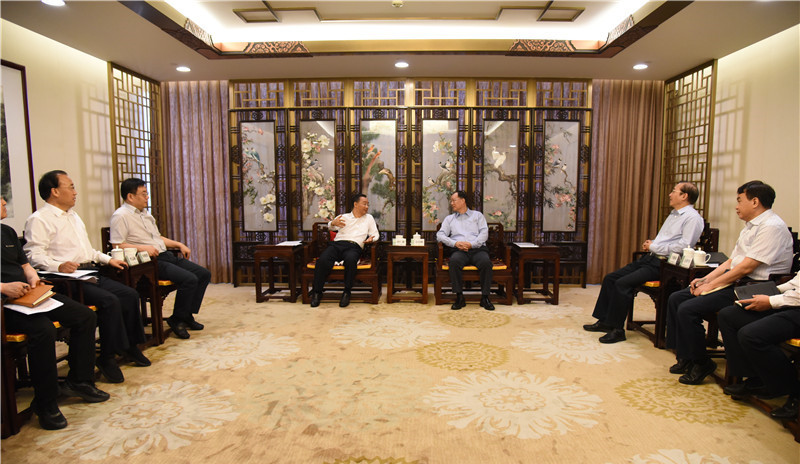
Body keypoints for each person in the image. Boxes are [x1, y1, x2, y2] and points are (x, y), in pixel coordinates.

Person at [23, 170, 150, 384]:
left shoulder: (73, 216)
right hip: (66, 279)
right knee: (110, 301)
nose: (75, 192)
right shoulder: (39, 219)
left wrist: (108, 259)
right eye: (71, 187)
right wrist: (58, 265)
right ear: (55, 191)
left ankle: (130, 346)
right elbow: (33, 255)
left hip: (88, 272)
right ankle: (107, 357)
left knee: (129, 294)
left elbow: (88, 251)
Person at [666, 180, 793, 385]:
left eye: (739, 200)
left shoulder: (772, 227)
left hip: (754, 287)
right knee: (676, 298)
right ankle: (686, 356)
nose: (736, 206)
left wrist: (711, 286)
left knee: (688, 309)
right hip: (739, 281)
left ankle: (701, 362)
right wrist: (706, 279)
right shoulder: (750, 226)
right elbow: (732, 262)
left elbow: (747, 267)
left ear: (755, 202)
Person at [2, 198, 109, 430]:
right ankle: (46, 403)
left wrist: (33, 279)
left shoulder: (7, 232)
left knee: (84, 316)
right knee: (44, 330)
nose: (3, 202)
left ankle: (79, 380)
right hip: (4, 303)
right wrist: (4, 287)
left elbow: (25, 265)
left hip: (27, 294)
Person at [583, 182, 704, 343]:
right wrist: (652, 243)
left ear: (684, 196)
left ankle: (617, 330)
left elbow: (684, 246)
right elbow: (667, 239)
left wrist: (654, 246)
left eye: (674, 191)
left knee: (623, 283)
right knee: (610, 278)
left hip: (665, 265)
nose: (670, 194)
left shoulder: (693, 218)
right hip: (651, 258)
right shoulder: (674, 214)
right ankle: (605, 321)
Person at [109, 178, 211, 339]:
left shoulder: (145, 214)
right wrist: (143, 248)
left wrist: (178, 244)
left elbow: (157, 238)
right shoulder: (120, 216)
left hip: (164, 255)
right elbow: (117, 245)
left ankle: (186, 315)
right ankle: (177, 319)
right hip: (148, 262)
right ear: (130, 196)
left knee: (203, 274)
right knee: (189, 279)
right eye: (144, 194)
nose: (147, 197)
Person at [718, 271, 800, 420]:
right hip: (790, 302)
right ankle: (757, 378)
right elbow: (795, 284)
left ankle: (793, 390)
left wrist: (771, 301)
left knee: (751, 335)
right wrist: (772, 291)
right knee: (728, 316)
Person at [309, 193, 379, 308]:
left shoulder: (369, 218)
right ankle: (317, 292)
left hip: (354, 246)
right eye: (364, 204)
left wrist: (371, 239)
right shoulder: (344, 217)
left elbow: (375, 234)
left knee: (350, 260)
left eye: (368, 204)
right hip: (337, 245)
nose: (367, 207)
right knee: (323, 260)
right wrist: (333, 223)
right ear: (355, 204)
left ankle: (347, 292)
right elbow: (331, 227)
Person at [436, 190, 494, 311]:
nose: (451, 203)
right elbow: (440, 235)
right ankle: (459, 297)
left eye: (454, 200)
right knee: (454, 262)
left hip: (477, 249)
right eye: (451, 201)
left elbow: (484, 234)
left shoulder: (477, 216)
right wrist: (455, 243)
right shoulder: (449, 219)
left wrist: (471, 244)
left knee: (486, 263)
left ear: (463, 201)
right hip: (459, 250)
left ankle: (485, 297)